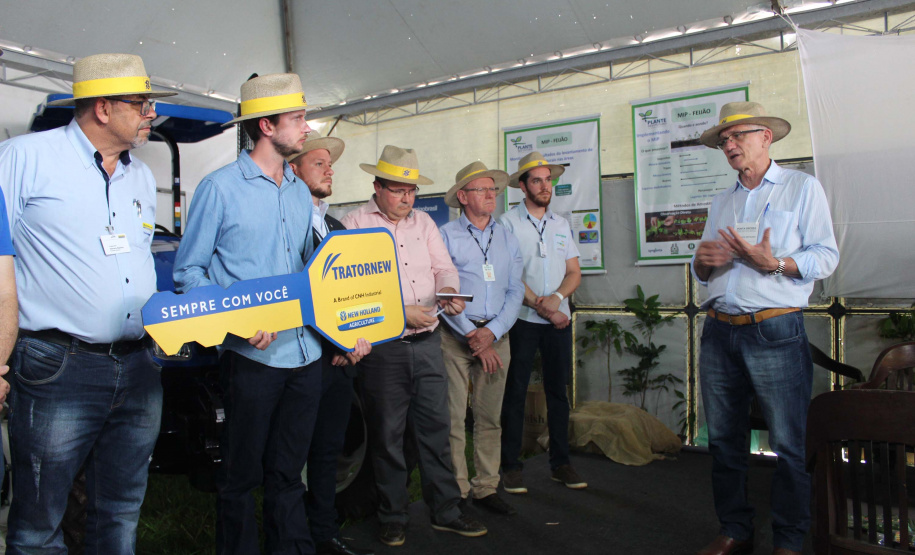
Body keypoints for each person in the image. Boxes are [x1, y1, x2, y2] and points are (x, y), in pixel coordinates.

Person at [0, 52, 174, 554]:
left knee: (119, 511)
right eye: (141, 103)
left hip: (140, 365)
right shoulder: (23, 158)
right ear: (102, 107)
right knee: (39, 524)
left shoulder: (139, 177)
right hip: (59, 366)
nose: (150, 112)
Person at [173, 73, 323, 555]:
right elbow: (189, 272)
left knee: (287, 473)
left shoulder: (300, 191)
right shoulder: (218, 189)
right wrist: (235, 320)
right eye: (298, 118)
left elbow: (309, 272)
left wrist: (348, 324)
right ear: (265, 125)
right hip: (252, 361)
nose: (306, 127)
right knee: (239, 477)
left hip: (306, 355)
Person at [691, 101, 839, 555]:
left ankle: (791, 540)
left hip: (774, 331)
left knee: (790, 445)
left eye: (738, 136)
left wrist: (773, 262)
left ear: (766, 137)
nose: (729, 145)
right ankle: (736, 528)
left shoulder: (801, 188)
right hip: (719, 331)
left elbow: (826, 256)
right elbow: (702, 268)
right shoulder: (722, 201)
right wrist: (700, 262)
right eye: (723, 140)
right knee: (723, 441)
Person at [341, 146, 487, 547]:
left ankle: (446, 510)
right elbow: (352, 291)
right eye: (398, 190)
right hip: (383, 347)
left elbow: (443, 268)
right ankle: (393, 515)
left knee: (436, 430)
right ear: (377, 187)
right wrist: (400, 313)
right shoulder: (353, 224)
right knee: (387, 436)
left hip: (427, 344)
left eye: (411, 191)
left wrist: (450, 292)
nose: (407, 198)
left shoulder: (424, 224)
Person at [287, 134, 373, 555]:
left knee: (327, 453)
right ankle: (294, 539)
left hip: (339, 362)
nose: (329, 169)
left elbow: (353, 296)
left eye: (330, 163)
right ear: (294, 169)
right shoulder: (284, 224)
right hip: (298, 358)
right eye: (318, 162)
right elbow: (294, 295)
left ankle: (324, 535)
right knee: (288, 459)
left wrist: (357, 338)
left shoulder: (337, 228)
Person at [439, 161, 523, 515]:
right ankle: (457, 489)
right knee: (454, 417)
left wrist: (491, 332)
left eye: (494, 190)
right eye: (482, 189)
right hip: (455, 336)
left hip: (496, 334)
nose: (491, 195)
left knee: (490, 417)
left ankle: (486, 486)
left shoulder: (506, 235)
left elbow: (516, 288)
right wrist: (472, 333)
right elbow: (440, 293)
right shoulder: (445, 235)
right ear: (462, 197)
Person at [499, 151, 586, 494]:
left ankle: (560, 463)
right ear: (522, 186)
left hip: (557, 321)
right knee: (515, 392)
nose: (545, 185)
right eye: (536, 180)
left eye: (548, 179)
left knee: (558, 392)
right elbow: (509, 275)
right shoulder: (508, 223)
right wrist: (540, 304)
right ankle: (510, 466)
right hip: (522, 319)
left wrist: (558, 300)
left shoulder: (561, 224)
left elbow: (574, 272)